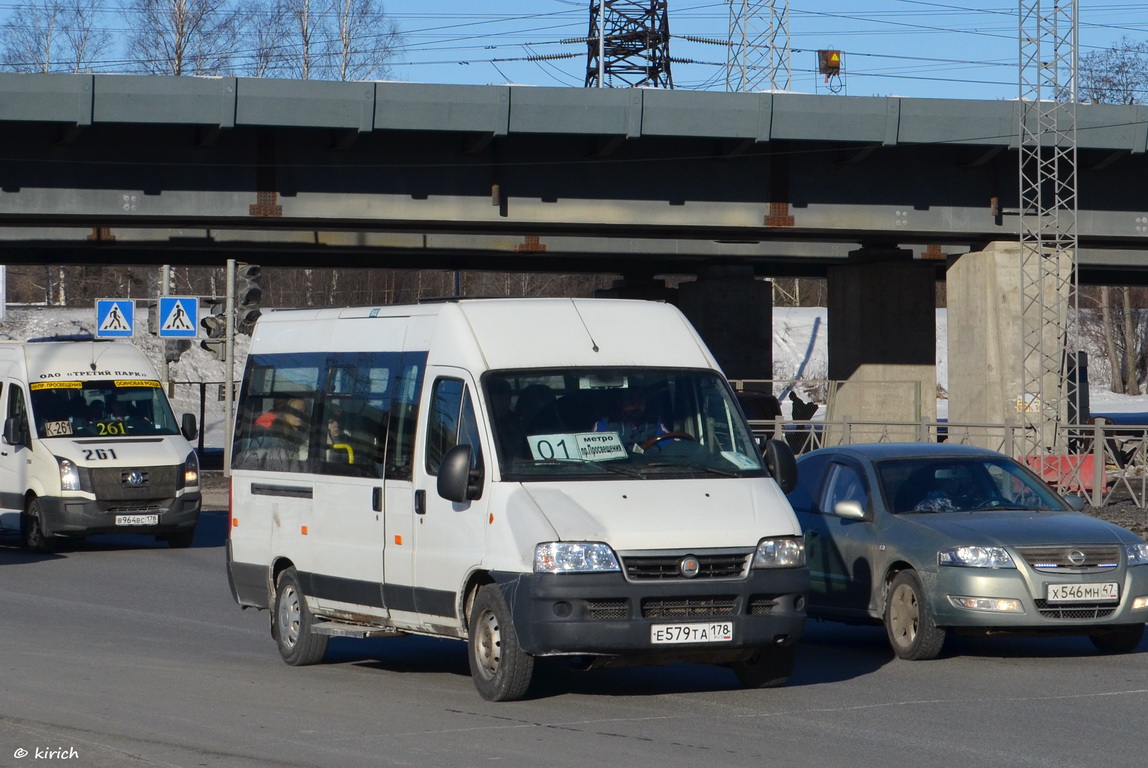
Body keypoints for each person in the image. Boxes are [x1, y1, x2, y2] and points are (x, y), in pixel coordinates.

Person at [593, 387, 670, 452]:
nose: (636, 402)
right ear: (620, 402)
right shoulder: (605, 425)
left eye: (640, 397)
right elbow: (596, 451)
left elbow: (670, 445)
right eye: (630, 398)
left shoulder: (654, 422)